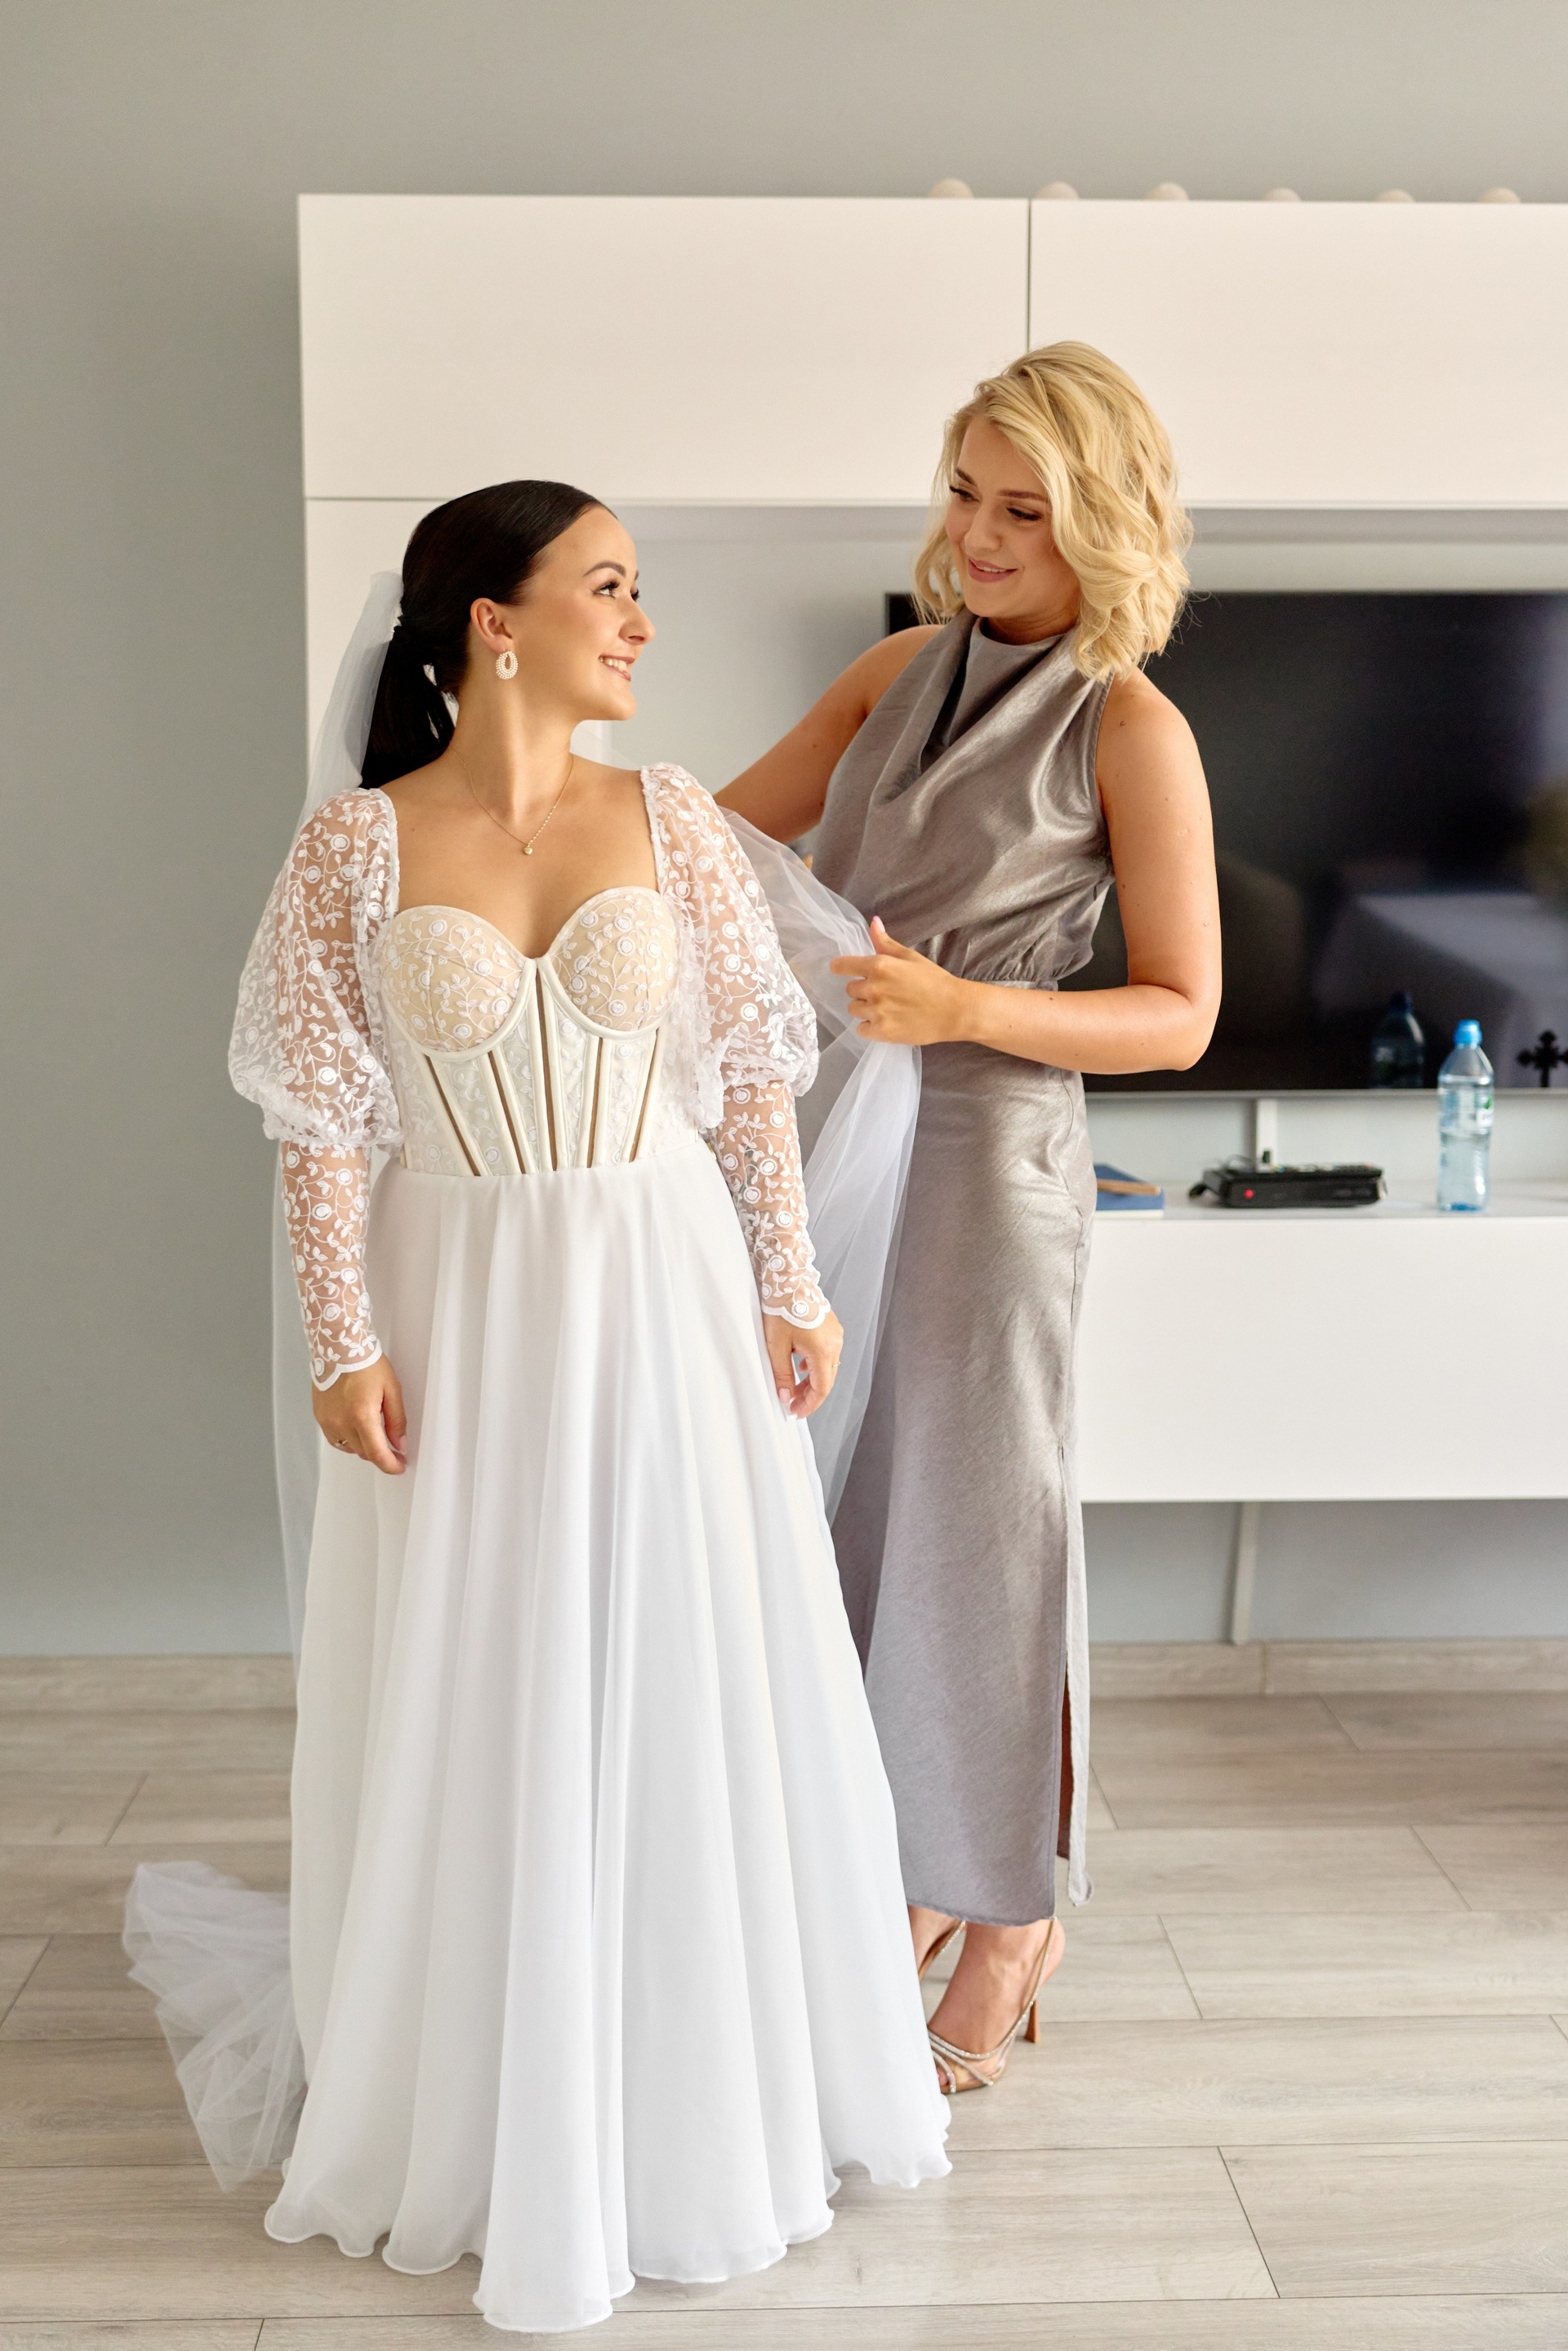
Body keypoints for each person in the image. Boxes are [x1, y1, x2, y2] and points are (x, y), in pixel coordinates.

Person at [171, 481, 947, 2335]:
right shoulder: (352, 849)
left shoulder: (671, 818)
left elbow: (750, 1079)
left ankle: (692, 2094)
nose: (641, 621)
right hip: (458, 1294)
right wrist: (342, 1340)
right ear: (493, 624)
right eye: (608, 586)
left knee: (679, 1653)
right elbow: (318, 1120)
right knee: (485, 1664)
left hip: (661, 1281)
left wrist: (791, 1282)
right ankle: (485, 2096)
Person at [720, 343, 1221, 2094]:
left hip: (989, 1156)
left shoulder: (1132, 728)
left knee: (984, 1533)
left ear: (1105, 519)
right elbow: (706, 852)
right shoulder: (890, 670)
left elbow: (1182, 1015)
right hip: (819, 1135)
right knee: (841, 1516)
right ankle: (904, 1872)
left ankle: (1010, 1916)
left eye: (1027, 508)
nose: (982, 535)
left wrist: (966, 1009)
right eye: (965, 494)